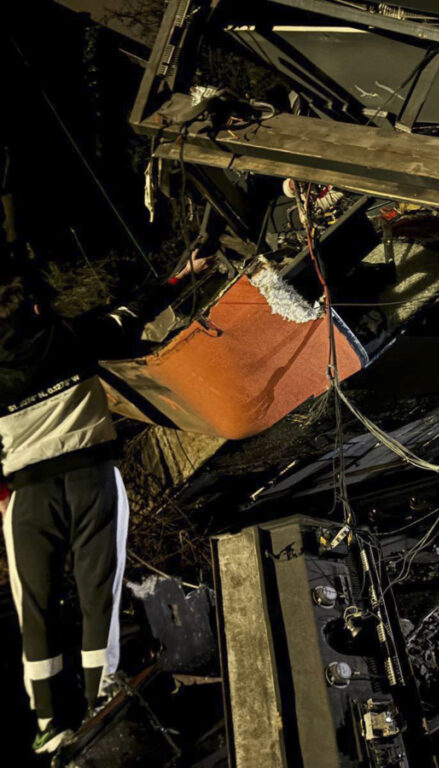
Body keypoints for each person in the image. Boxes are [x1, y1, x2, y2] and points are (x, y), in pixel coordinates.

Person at [0, 253, 211, 754]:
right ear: (34, 308)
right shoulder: (69, 338)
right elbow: (129, 313)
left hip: (28, 497)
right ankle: (101, 706)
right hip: (91, 480)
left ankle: (49, 725)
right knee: (100, 598)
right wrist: (183, 273)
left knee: (36, 612)